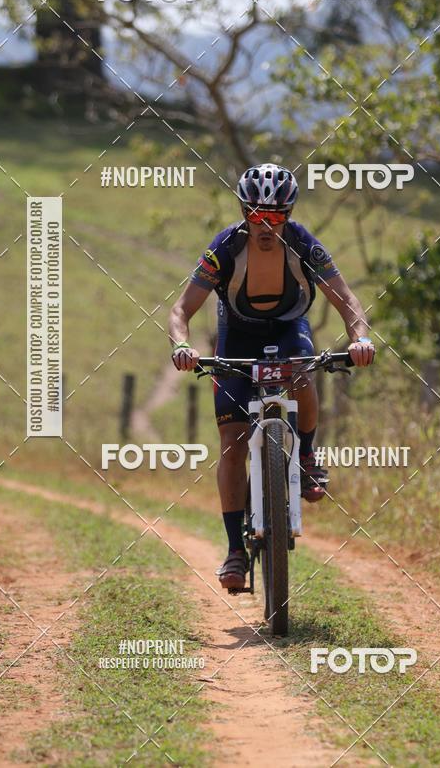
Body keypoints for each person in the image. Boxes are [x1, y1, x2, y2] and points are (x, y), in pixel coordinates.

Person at [168, 164, 374, 589]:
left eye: (276, 216)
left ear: (289, 213)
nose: (266, 225)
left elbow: (348, 301)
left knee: (305, 370)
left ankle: (307, 454)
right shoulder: (225, 247)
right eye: (257, 215)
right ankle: (234, 551)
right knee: (231, 442)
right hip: (236, 339)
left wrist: (359, 339)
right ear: (244, 211)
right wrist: (182, 346)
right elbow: (180, 310)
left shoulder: (303, 244)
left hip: (288, 330)